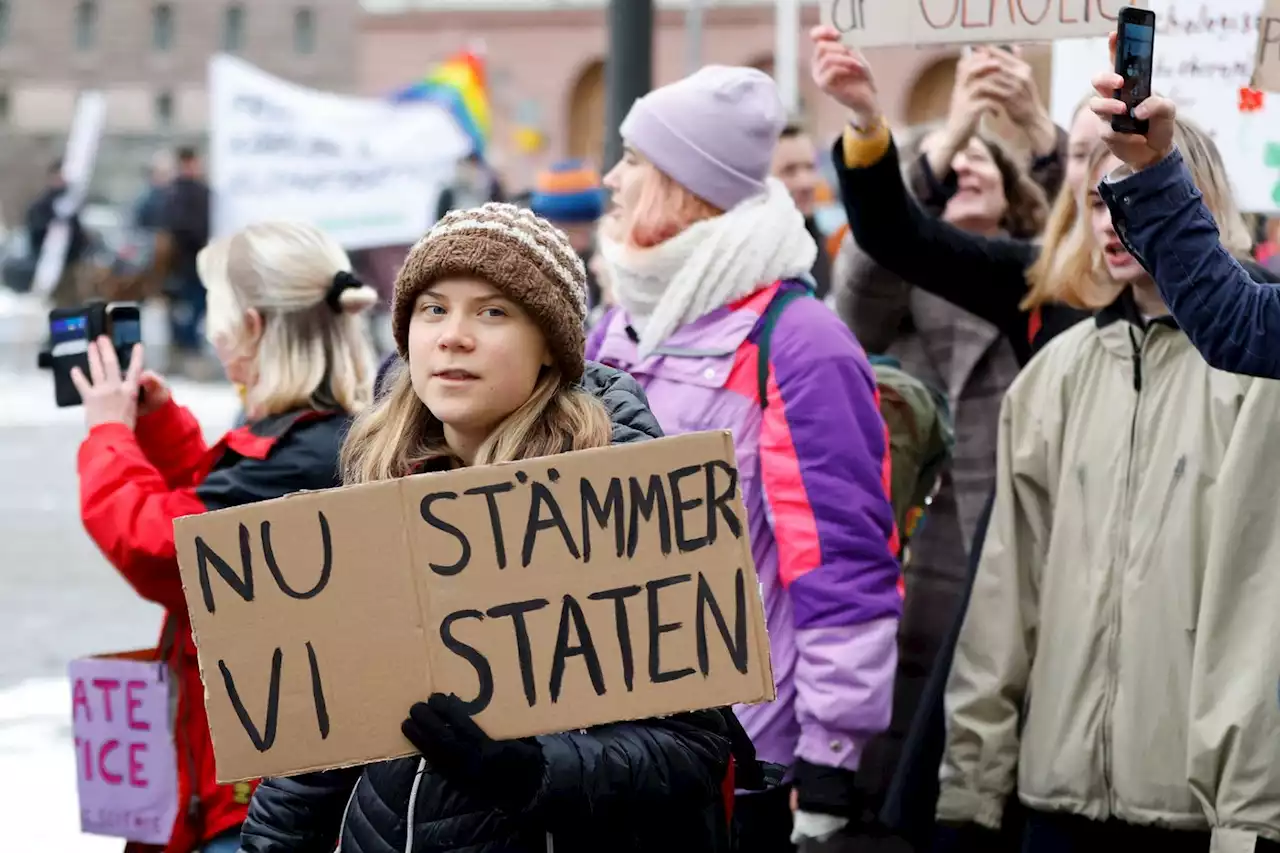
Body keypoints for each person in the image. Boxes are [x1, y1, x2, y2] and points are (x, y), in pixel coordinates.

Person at [240, 202, 743, 853]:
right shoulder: (376, 483)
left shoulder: (621, 496)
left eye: (493, 311)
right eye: (433, 309)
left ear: (548, 346)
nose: (453, 335)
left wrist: (529, 769)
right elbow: (319, 731)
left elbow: (692, 751)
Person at [584, 65, 901, 852]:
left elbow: (842, 570)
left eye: (633, 161)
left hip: (747, 758)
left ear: (685, 185)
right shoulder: (617, 325)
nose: (611, 179)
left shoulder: (799, 344)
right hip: (614, 744)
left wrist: (828, 766)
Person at [936, 136, 1280, 852]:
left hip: (1192, 808)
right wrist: (971, 787)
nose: (1109, 221)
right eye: (1095, 201)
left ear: (1193, 202)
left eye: (1130, 196)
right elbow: (1005, 599)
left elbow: (1259, 611)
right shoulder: (1053, 376)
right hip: (1057, 797)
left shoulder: (1258, 380)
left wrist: (1248, 817)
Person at [73, 222, 379, 853]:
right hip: (261, 782)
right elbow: (219, 504)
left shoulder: (295, 459)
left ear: (253, 325)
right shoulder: (322, 439)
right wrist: (158, 426)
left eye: (217, 318)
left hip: (252, 801)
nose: (214, 340)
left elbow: (163, 548)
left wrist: (108, 433)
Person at [1087, 34, 1280, 379]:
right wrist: (1151, 167)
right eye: (1096, 205)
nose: (1110, 225)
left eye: (1112, 206)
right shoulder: (1072, 356)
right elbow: (1240, 324)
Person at [529, 158, 607, 317]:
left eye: (587, 230)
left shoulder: (598, 265)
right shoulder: (527, 271)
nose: (581, 243)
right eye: (570, 231)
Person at [162, 146, 213, 374]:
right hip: (187, 263)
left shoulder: (178, 192)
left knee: (192, 308)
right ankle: (187, 350)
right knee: (190, 308)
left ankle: (184, 349)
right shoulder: (180, 192)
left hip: (190, 263)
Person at [770, 123, 833, 299]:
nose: (805, 182)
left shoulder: (832, 248)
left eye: (810, 167)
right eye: (789, 171)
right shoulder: (754, 263)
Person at [26, 159, 89, 308]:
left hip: (70, 261)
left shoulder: (69, 203)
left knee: (72, 300)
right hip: (50, 263)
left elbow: (77, 231)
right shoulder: (42, 205)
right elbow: (36, 231)